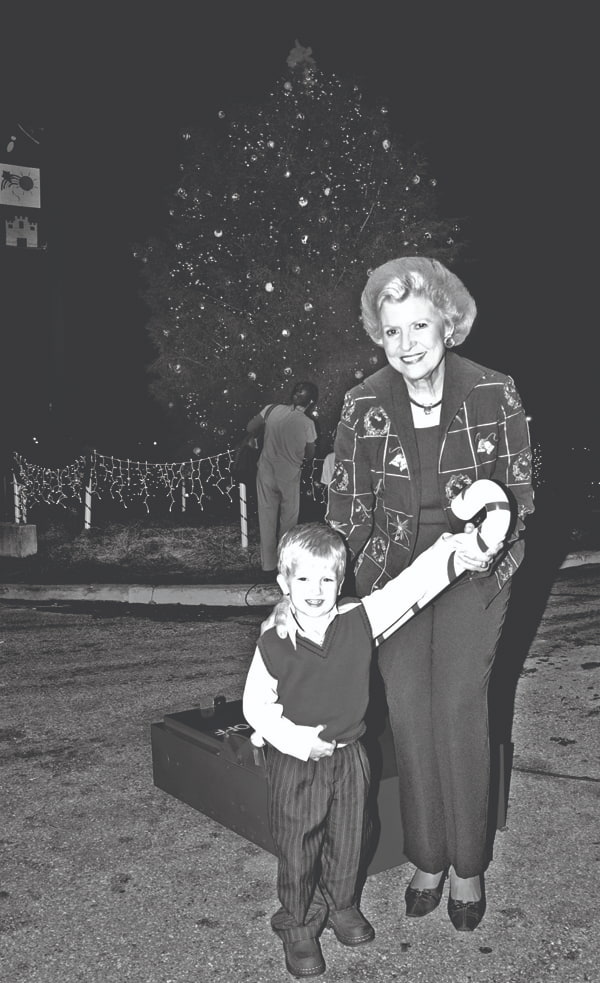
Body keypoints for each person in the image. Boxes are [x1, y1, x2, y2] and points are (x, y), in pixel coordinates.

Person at [323, 256, 535, 931]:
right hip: (392, 574)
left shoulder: (495, 391)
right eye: (392, 331)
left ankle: (468, 862)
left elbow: (522, 495)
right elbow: (347, 510)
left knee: (459, 703)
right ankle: (428, 855)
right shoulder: (360, 405)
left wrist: (489, 540)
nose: (408, 342)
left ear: (449, 324)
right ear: (378, 337)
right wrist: (324, 583)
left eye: (420, 324)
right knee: (410, 710)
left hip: (475, 563)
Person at [243, 519, 497, 978]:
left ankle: (342, 905)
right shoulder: (272, 642)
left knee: (351, 836)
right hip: (296, 762)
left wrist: (448, 552)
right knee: (299, 845)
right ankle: (298, 922)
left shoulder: (359, 620)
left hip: (350, 754)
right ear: (284, 583)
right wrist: (299, 742)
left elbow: (407, 589)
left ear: (341, 581)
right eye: (303, 579)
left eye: (327, 579)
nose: (315, 590)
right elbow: (255, 707)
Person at [247, 381, 318, 579]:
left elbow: (250, 426)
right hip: (289, 476)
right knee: (289, 521)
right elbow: (310, 454)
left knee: (266, 518)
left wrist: (257, 436)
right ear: (311, 402)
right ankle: (284, 566)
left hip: (266, 472)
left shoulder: (271, 410)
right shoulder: (308, 424)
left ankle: (268, 567)